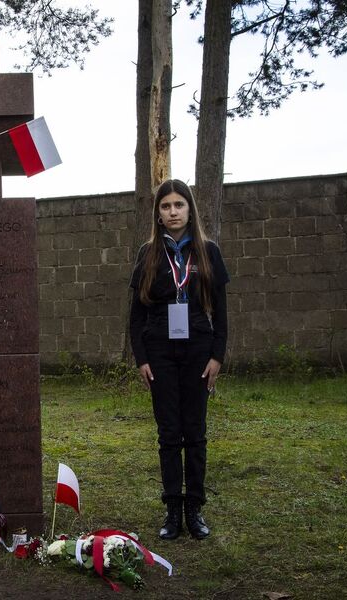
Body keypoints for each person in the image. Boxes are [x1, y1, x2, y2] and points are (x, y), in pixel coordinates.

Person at [129, 179, 229, 540]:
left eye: (179, 205)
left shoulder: (208, 252)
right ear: (157, 213)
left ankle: (195, 509)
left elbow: (222, 310)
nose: (173, 212)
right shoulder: (148, 254)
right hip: (160, 354)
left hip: (198, 351)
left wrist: (217, 354)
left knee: (195, 432)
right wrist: (141, 358)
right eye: (166, 206)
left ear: (190, 210)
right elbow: (136, 315)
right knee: (169, 432)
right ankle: (173, 510)